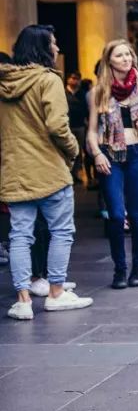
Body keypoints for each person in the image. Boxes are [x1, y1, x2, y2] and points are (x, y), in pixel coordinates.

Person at [0, 26, 93, 319]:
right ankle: (55, 293)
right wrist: (74, 149)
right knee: (61, 232)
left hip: (15, 169)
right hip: (50, 169)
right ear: (43, 47)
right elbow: (56, 125)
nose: (57, 47)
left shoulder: (4, 82)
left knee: (19, 236)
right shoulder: (48, 80)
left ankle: (23, 300)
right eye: (53, 43)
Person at [86, 39, 138, 289]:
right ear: (109, 60)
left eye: (129, 55)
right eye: (120, 55)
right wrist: (97, 154)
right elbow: (91, 131)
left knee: (136, 214)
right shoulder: (99, 91)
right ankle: (119, 269)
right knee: (116, 215)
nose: (126, 59)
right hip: (110, 155)